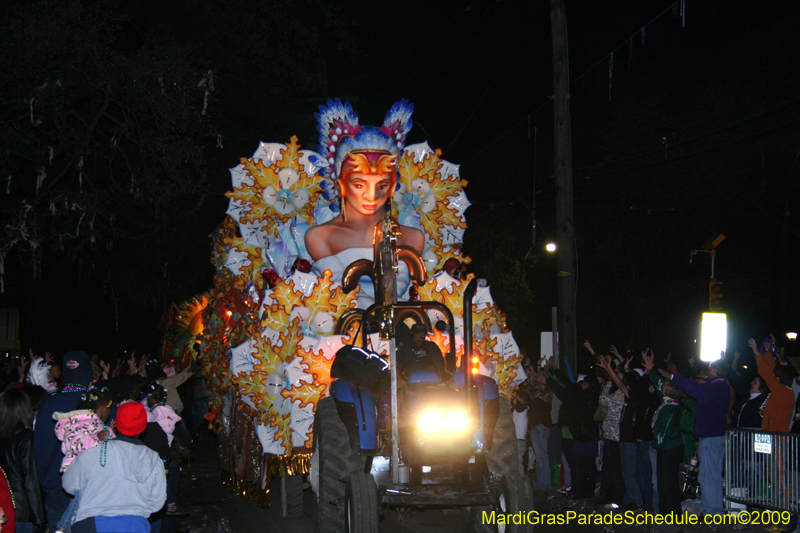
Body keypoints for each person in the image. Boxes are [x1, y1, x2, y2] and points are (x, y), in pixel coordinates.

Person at [304, 100, 424, 309]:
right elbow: (343, 298)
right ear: (340, 184)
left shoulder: (414, 238)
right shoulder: (320, 237)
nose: (371, 195)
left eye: (382, 185)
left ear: (393, 185)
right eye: (359, 184)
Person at [62, 401, 166, 533]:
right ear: (144, 427)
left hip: (92, 524)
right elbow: (157, 502)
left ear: (116, 423)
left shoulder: (93, 453)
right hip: (135, 525)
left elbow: (69, 485)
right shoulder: (152, 458)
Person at [661, 358, 731, 516]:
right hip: (717, 437)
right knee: (715, 477)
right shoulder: (723, 388)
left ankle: (712, 513)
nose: (708, 369)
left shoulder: (714, 388)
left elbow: (693, 388)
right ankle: (715, 512)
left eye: (710, 367)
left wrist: (674, 377)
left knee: (707, 478)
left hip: (710, 438)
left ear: (714, 371)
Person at [34, 351, 94, 529]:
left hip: (56, 488)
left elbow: (40, 451)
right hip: (90, 491)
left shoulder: (47, 406)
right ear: (88, 374)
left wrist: (48, 485)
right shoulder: (98, 405)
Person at [53, 389, 114, 533]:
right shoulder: (78, 423)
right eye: (107, 407)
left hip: (93, 473)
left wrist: (110, 433)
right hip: (78, 472)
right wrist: (96, 439)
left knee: (86, 509)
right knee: (79, 501)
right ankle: (62, 528)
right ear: (100, 408)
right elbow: (72, 445)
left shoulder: (95, 423)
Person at [0, 388, 46, 533]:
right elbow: (30, 481)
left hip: (6, 504)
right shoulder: (25, 438)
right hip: (24, 510)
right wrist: (39, 518)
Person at [749, 337, 794, 432]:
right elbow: (771, 370)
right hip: (773, 436)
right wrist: (767, 352)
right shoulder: (783, 391)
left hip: (777, 439)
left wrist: (757, 353)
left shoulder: (782, 392)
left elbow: (767, 374)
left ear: (778, 379)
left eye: (775, 377)